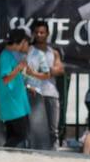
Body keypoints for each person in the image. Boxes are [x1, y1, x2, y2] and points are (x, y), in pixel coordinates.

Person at [25, 19, 64, 150]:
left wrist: (45, 71)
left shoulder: (53, 52)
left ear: (47, 33)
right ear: (33, 34)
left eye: (42, 32)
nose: (40, 35)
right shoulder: (28, 50)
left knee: (53, 130)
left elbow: (61, 69)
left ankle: (54, 156)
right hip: (34, 94)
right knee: (33, 129)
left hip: (51, 94)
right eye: (37, 32)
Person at [0, 30, 32, 149]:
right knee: (20, 136)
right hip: (13, 106)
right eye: (27, 42)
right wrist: (19, 68)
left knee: (14, 136)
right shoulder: (6, 55)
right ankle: (1, 154)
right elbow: (5, 79)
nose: (27, 45)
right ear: (22, 42)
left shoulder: (9, 54)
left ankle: (7, 161)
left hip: (16, 105)